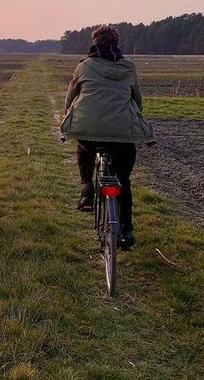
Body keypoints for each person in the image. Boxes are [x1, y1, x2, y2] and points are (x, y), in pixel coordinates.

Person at [60, 25, 155, 250]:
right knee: (123, 179)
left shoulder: (84, 67)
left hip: (89, 127)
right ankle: (126, 231)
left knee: (84, 146)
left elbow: (71, 96)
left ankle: (86, 188)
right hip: (122, 132)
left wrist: (66, 115)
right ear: (117, 44)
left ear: (94, 42)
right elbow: (138, 101)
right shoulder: (129, 68)